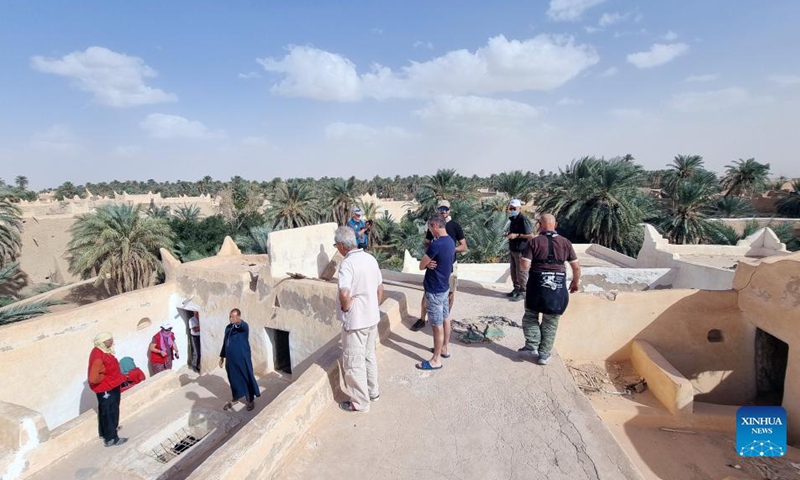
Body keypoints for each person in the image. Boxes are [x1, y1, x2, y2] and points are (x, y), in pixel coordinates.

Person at [518, 213, 581, 365]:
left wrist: (522, 260)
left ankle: (532, 345)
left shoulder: (534, 242)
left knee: (531, 315)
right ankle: (544, 355)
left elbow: (524, 266)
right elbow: (576, 267)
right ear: (556, 225)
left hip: (536, 287)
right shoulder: (566, 243)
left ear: (539, 225)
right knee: (551, 321)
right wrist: (575, 283)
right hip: (558, 289)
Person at [333, 226, 383, 413]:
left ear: (341, 246)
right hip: (372, 318)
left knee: (354, 362)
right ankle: (373, 392)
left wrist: (347, 308)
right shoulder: (370, 258)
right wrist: (372, 307)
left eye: (336, 245)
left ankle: (360, 403)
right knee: (369, 356)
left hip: (356, 322)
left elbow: (344, 292)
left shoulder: (347, 264)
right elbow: (380, 288)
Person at [411, 200, 467, 331]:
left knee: (450, 293)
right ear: (437, 210)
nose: (443, 211)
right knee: (427, 293)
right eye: (441, 208)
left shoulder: (455, 226)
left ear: (449, 210)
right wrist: (429, 258)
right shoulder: (434, 226)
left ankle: (444, 318)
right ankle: (422, 318)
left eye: (445, 209)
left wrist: (448, 250)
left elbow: (464, 246)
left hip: (451, 264)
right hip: (435, 265)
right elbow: (427, 243)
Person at [416, 214, 456, 370]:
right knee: (446, 317)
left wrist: (427, 264)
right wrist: (431, 263)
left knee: (436, 324)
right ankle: (445, 348)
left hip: (434, 289)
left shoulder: (436, 244)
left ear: (434, 225)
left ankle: (436, 359)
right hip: (444, 287)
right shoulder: (450, 241)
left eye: (429, 228)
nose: (429, 231)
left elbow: (421, 265)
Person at [87, 332, 128, 447]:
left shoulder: (103, 351)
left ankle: (109, 430)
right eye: (108, 340)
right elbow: (93, 378)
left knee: (109, 410)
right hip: (106, 388)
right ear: (102, 342)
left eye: (111, 339)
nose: (111, 341)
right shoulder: (98, 356)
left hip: (112, 385)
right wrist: (106, 378)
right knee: (110, 411)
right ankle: (111, 438)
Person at [219, 308, 260, 411]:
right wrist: (222, 357)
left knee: (246, 378)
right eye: (230, 316)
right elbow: (225, 343)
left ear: (239, 317)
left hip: (242, 358)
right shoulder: (228, 328)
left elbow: (242, 325)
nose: (231, 318)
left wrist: (238, 321)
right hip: (231, 360)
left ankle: (250, 400)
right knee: (233, 378)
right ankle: (236, 397)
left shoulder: (242, 328)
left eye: (234, 316)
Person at [505, 199, 534, 301]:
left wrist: (517, 235)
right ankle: (516, 289)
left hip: (521, 250)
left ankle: (523, 291)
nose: (512, 210)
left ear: (519, 208)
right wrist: (509, 234)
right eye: (511, 208)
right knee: (514, 271)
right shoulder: (513, 219)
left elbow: (531, 235)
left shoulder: (523, 220)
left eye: (514, 208)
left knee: (521, 272)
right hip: (513, 249)